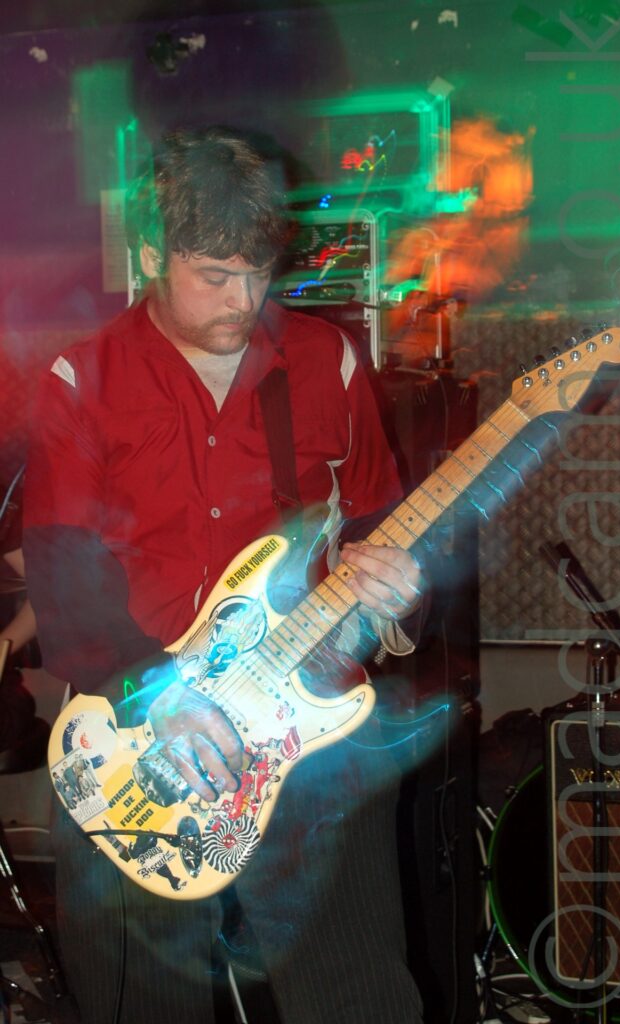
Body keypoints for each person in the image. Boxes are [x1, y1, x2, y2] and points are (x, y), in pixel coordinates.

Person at [23, 127, 428, 1024]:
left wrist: (395, 586)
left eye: (257, 273)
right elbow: (62, 570)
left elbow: (370, 519)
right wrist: (161, 690)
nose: (243, 300)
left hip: (315, 736)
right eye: (214, 274)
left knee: (358, 997)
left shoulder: (328, 361)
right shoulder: (82, 379)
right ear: (150, 256)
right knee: (145, 1006)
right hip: (140, 743)